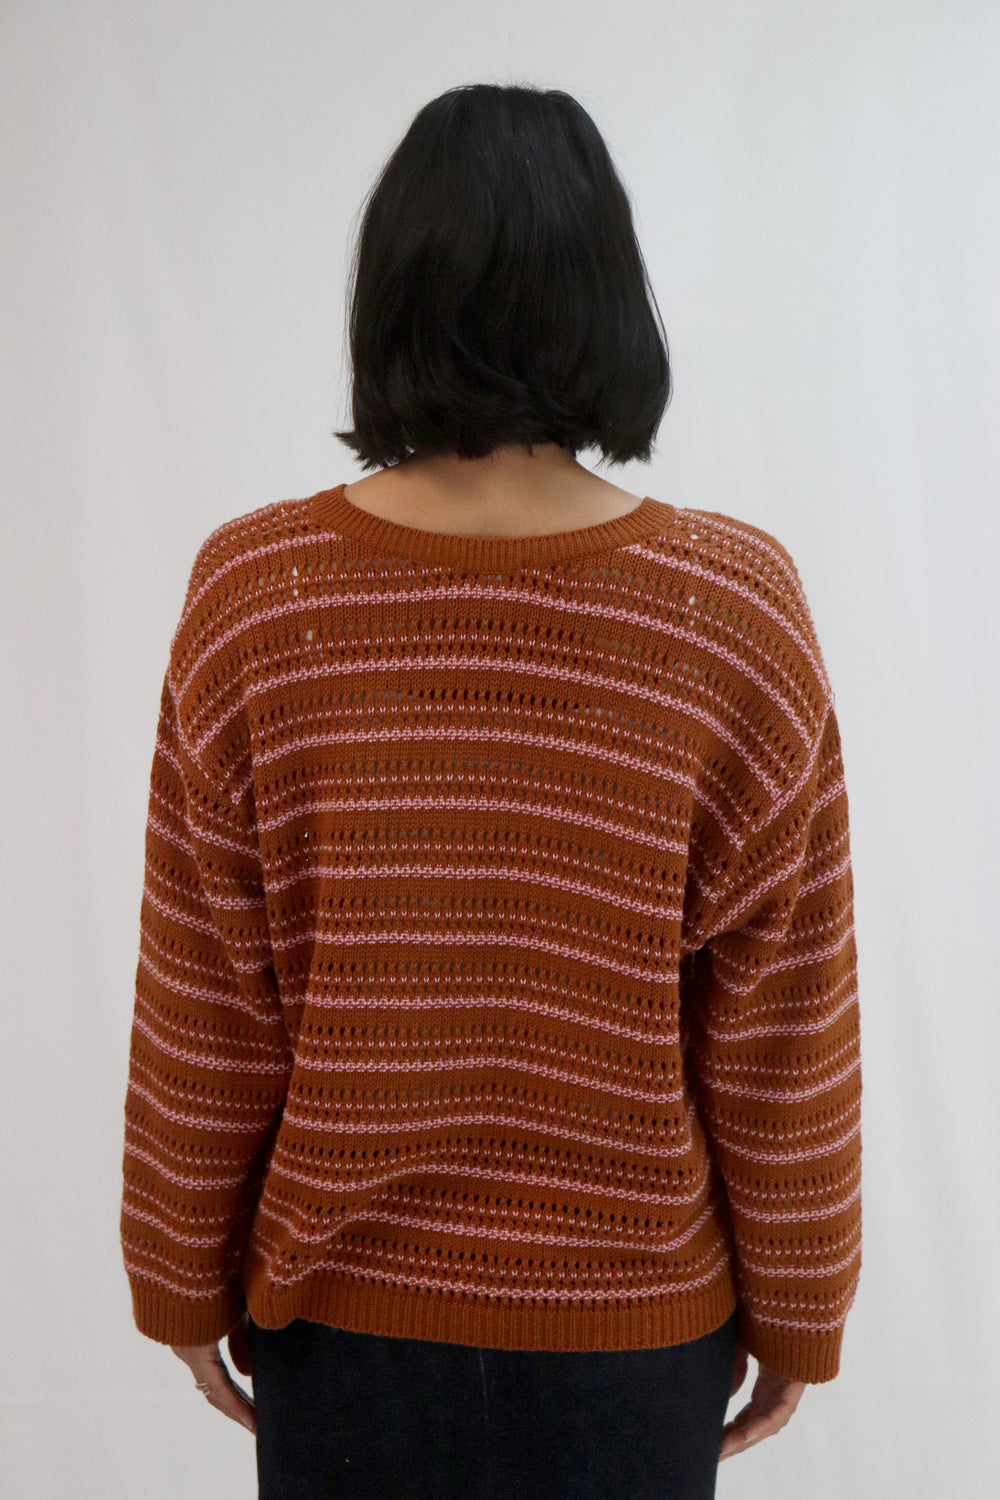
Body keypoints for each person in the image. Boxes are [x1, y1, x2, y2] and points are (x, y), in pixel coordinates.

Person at [120, 82, 861, 1499]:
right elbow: (784, 1019)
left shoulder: (258, 596)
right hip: (634, 1339)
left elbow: (208, 992)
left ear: (391, 294)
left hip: (344, 1336)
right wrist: (802, 1301)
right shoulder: (732, 606)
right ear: (609, 300)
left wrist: (179, 1273)